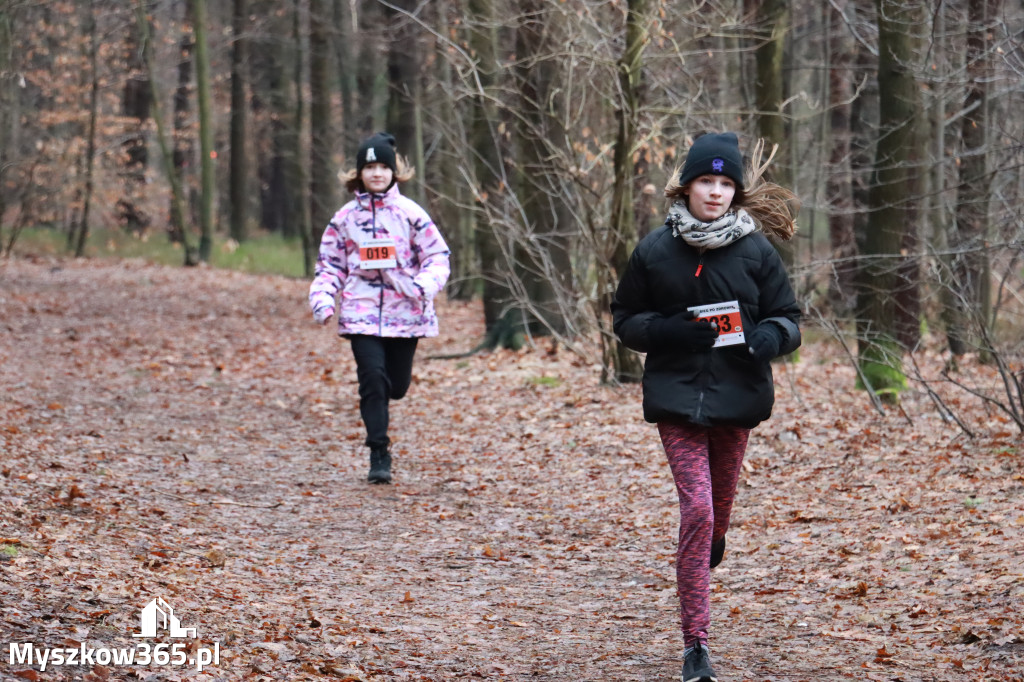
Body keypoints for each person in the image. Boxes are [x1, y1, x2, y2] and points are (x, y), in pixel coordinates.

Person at [611, 132, 801, 682]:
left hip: (737, 399)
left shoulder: (757, 251)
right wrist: (668, 331)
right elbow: (625, 319)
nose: (715, 192)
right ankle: (696, 644)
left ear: (735, 192)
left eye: (725, 183)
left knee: (716, 511)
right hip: (675, 399)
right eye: (706, 181)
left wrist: (769, 338)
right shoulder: (654, 250)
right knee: (696, 509)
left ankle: (713, 536)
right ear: (687, 185)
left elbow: (788, 317)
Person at [309, 132, 450, 484]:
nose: (376, 173)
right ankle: (378, 452)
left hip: (407, 311)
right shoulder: (344, 219)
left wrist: (423, 285)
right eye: (369, 167)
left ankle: (382, 404)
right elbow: (329, 265)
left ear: (393, 172)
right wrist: (324, 298)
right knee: (371, 378)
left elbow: (437, 257)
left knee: (396, 386)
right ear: (359, 173)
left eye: (382, 167)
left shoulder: (411, 214)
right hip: (361, 311)